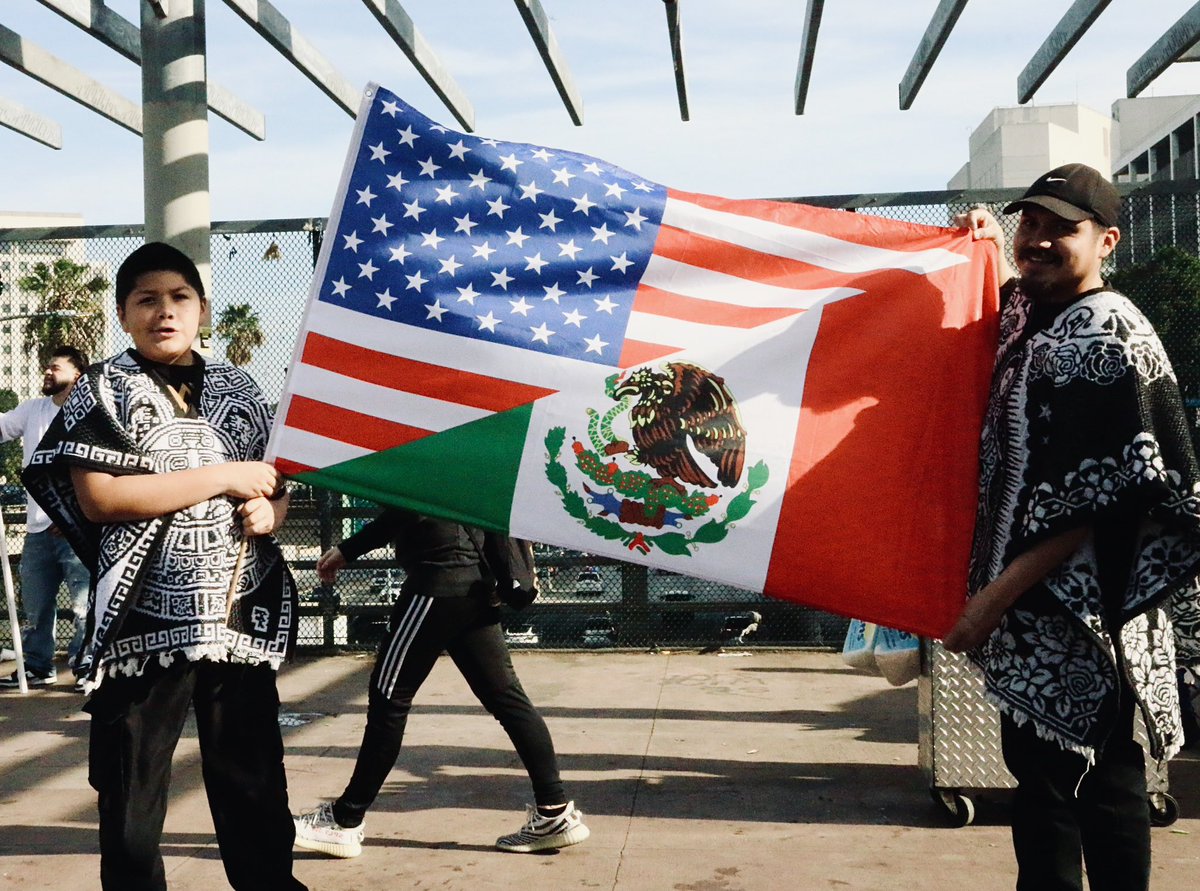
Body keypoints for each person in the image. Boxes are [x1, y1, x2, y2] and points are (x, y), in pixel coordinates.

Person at [945, 163, 1200, 891]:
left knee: (1105, 790)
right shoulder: (1037, 310)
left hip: (1095, 614)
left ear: (1107, 240)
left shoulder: (1108, 334)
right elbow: (1006, 287)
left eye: (1064, 227)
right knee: (1041, 793)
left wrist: (986, 604)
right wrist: (983, 240)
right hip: (1035, 618)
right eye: (1033, 222)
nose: (1041, 239)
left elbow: (1096, 504)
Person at [21, 243, 307, 891]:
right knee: (130, 802)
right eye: (146, 299)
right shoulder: (101, 387)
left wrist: (274, 510)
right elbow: (101, 498)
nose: (164, 311)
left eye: (178, 298)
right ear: (124, 314)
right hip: (138, 628)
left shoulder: (240, 384)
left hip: (236, 618)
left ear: (202, 309)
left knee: (256, 792)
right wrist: (223, 475)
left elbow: (274, 479)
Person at [293, 507, 589, 856]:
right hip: (474, 587)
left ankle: (343, 821)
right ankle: (554, 811)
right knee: (508, 700)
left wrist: (347, 550)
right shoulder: (474, 452)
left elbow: (404, 509)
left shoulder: (419, 452)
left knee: (389, 697)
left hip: (436, 583)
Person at [0, 346, 91, 689]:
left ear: (76, 376)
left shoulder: (88, 415)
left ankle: (86, 667)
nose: (47, 372)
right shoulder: (33, 410)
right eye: (46, 367)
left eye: (55, 368)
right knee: (36, 607)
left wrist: (74, 515)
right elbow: (3, 428)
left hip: (75, 528)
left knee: (83, 607)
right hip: (37, 529)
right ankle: (39, 666)